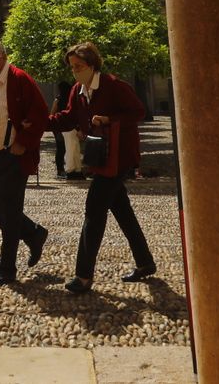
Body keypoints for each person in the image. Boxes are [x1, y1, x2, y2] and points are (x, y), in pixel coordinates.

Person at [47, 41, 157, 295]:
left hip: (120, 156)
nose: (75, 71)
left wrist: (110, 119)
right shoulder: (78, 90)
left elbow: (138, 112)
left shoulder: (114, 85)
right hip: (102, 158)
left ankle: (83, 276)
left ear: (92, 64)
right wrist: (36, 124)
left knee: (94, 209)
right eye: (72, 67)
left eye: (79, 66)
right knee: (122, 210)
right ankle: (145, 262)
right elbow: (68, 117)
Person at [0, 39, 48, 285]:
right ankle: (33, 233)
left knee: (10, 211)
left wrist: (23, 142)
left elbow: (39, 113)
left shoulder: (19, 79)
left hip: (12, 157)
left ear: (2, 57)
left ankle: (6, 268)